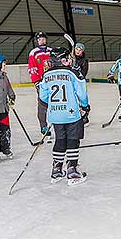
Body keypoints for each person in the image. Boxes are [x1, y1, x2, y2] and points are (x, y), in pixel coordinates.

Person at [39, 47, 90, 186]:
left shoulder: (46, 75)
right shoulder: (73, 73)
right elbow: (82, 94)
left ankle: (56, 170)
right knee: (73, 140)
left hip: (55, 115)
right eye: (67, 57)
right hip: (72, 114)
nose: (70, 59)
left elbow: (43, 98)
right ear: (63, 60)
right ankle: (72, 170)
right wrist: (85, 107)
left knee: (60, 140)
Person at [28, 31, 52, 137]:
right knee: (42, 105)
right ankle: (43, 126)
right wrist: (36, 82)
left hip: (53, 81)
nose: (42, 41)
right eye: (39, 39)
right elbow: (32, 68)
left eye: (43, 39)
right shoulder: (34, 53)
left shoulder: (51, 51)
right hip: (42, 83)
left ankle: (58, 122)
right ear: (37, 41)